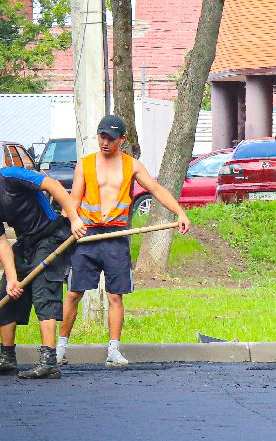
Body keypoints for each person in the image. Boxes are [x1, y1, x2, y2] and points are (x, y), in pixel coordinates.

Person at [59, 115, 190, 367]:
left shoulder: (132, 166)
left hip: (116, 237)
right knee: (74, 293)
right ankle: (60, 349)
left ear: (122, 139)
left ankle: (113, 350)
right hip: (86, 235)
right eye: (101, 137)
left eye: (110, 138)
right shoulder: (85, 164)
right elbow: (73, 200)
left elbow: (157, 189)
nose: (105, 142)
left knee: (115, 296)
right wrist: (66, 226)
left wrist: (180, 212)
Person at [0, 150, 87, 379]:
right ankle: (7, 359)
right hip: (26, 244)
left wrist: (74, 219)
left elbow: (52, 185)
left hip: (51, 237)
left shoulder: (10, 176)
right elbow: (0, 241)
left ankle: (49, 361)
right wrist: (12, 278)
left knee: (44, 293)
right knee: (6, 295)